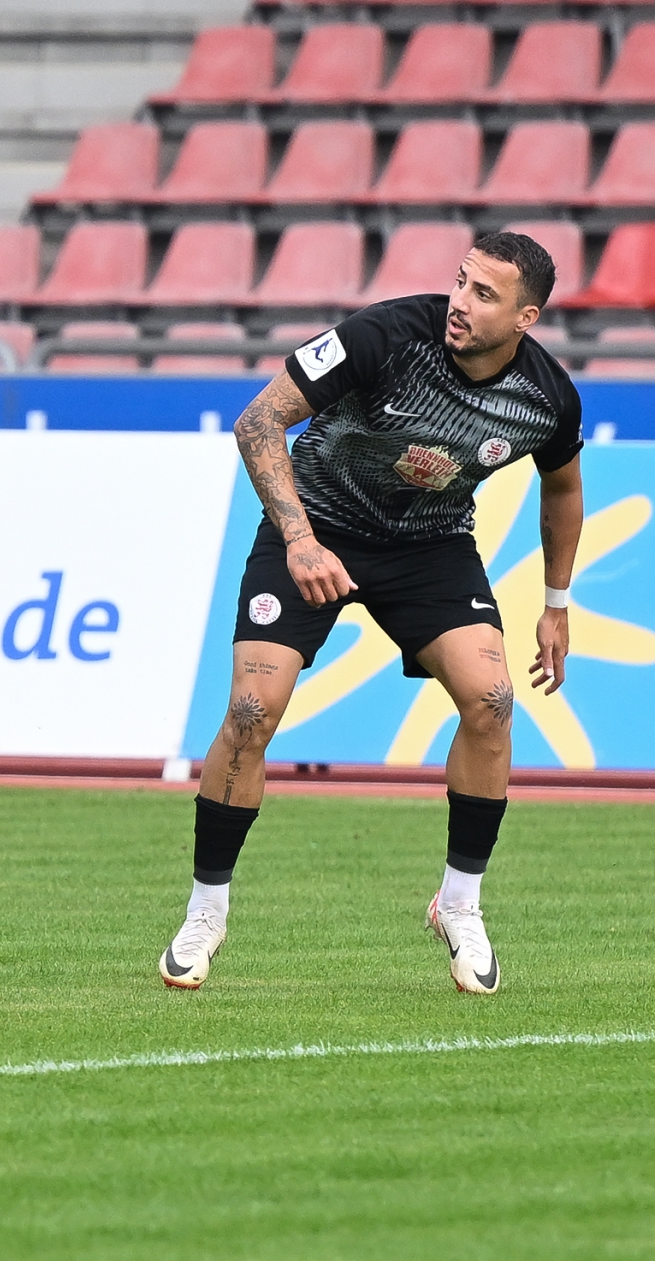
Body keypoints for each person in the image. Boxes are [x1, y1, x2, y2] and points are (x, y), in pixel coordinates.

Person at [159, 232, 584, 996]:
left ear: (526, 318)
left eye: (484, 294)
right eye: (461, 281)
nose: (460, 302)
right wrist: (299, 540)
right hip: (316, 526)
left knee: (493, 701)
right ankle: (205, 912)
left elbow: (562, 486)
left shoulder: (546, 397)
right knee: (252, 710)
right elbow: (257, 422)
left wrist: (556, 604)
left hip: (429, 547)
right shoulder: (384, 335)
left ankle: (459, 905)